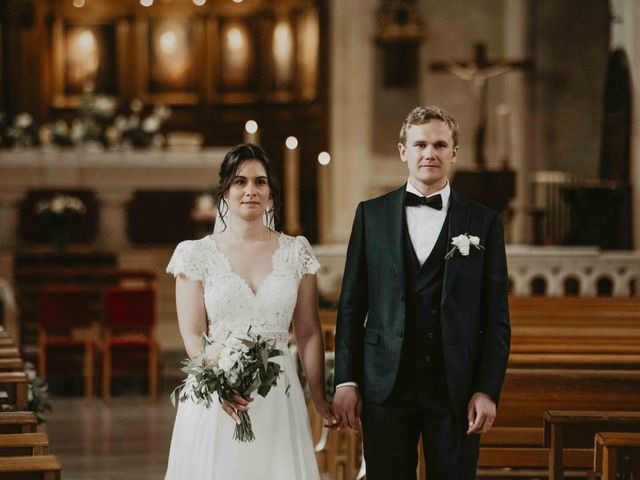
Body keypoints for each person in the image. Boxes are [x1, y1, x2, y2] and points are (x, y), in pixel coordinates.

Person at [332, 106, 511, 479]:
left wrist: (486, 390)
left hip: (456, 389)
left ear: (454, 153)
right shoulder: (371, 215)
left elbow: (495, 318)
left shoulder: (484, 222)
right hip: (385, 386)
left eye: (440, 144)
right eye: (420, 144)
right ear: (403, 151)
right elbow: (351, 307)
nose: (429, 153)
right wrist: (346, 380)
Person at [165, 143, 335, 479]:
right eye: (240, 182)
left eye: (260, 182)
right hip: (219, 395)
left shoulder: (296, 252)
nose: (250, 191)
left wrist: (318, 396)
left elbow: (308, 332)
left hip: (278, 393)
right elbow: (192, 332)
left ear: (271, 190)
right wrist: (217, 382)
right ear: (225, 190)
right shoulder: (195, 254)